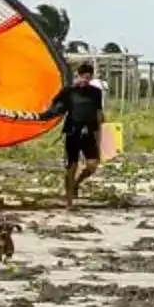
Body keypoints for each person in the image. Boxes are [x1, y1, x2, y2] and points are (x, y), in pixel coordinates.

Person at [48, 61, 107, 204]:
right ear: (77, 76)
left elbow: (99, 112)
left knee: (92, 165)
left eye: (88, 78)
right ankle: (69, 201)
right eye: (83, 77)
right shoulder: (68, 92)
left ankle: (77, 183)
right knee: (71, 166)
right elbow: (54, 106)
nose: (85, 80)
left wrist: (101, 133)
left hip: (89, 132)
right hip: (72, 132)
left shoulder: (96, 92)